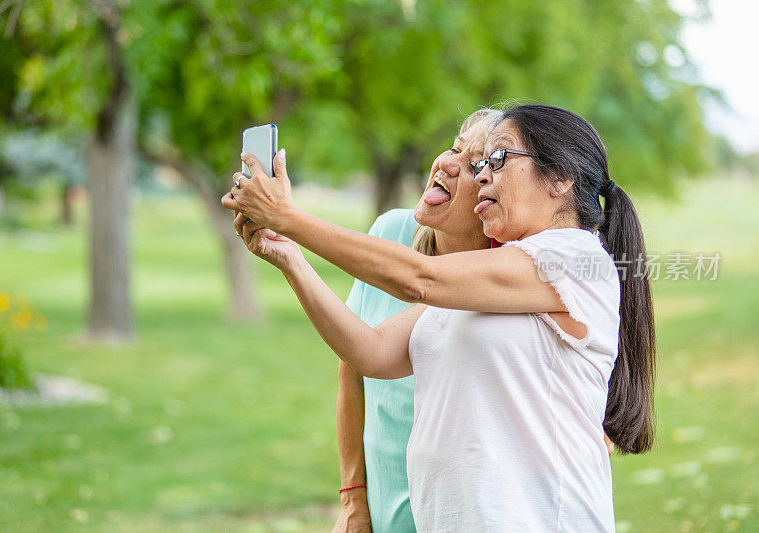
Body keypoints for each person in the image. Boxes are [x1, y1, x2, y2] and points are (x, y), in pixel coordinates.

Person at [224, 103, 654, 531]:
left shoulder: (576, 259)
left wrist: (288, 217)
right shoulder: (481, 284)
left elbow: (417, 277)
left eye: (498, 158)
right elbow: (370, 353)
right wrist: (291, 258)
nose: (483, 174)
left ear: (559, 177)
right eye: (479, 163)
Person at [332, 109, 499, 532]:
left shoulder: (507, 276)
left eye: (476, 164)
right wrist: (353, 499)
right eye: (456, 147)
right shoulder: (390, 232)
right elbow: (352, 366)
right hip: (385, 513)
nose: (446, 163)